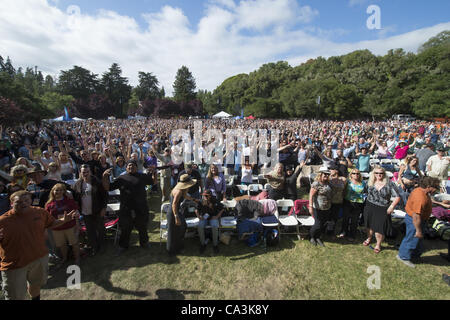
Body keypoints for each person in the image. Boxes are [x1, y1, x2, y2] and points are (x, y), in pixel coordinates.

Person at [0, 190, 78, 300]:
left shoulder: (40, 212)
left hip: (39, 258)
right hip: (15, 265)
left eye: (26, 200)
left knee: (36, 286)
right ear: (11, 203)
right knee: (16, 296)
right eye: (19, 202)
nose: (24, 204)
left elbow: (51, 223)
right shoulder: (3, 221)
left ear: (31, 201)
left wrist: (63, 220)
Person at [103, 161, 154, 255]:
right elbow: (108, 188)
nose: (131, 167)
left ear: (136, 167)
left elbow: (153, 182)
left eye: (133, 165)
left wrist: (153, 172)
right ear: (126, 168)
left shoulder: (142, 176)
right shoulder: (121, 178)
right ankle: (123, 246)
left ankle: (144, 243)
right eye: (129, 165)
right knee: (125, 227)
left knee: (142, 226)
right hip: (126, 208)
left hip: (141, 207)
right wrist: (105, 176)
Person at [397, 177, 440, 268]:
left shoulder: (421, 191)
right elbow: (416, 216)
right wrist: (418, 230)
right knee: (412, 238)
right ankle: (403, 256)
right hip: (415, 221)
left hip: (419, 220)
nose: (437, 190)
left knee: (417, 240)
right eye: (435, 187)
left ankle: (414, 255)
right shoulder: (420, 198)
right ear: (428, 186)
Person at [72, 164, 108, 256]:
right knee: (90, 231)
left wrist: (104, 208)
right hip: (85, 212)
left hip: (97, 210)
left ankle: (102, 246)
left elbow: (105, 196)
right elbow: (75, 198)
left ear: (90, 172)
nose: (86, 174)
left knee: (100, 229)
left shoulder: (96, 182)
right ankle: (94, 248)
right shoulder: (78, 184)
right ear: (80, 172)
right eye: (83, 172)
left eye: (87, 172)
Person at [363, 166, 401, 253]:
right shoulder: (369, 182)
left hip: (383, 208)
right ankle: (368, 238)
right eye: (376, 173)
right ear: (373, 174)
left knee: (380, 228)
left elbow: (397, 197)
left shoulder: (390, 184)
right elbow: (364, 192)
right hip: (370, 206)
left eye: (381, 173)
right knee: (369, 225)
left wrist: (391, 206)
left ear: (384, 174)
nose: (379, 175)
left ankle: (378, 244)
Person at [45, 184, 81, 267]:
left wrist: (77, 225)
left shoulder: (69, 201)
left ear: (64, 191)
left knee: (74, 243)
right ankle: (64, 258)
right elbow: (47, 217)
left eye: (61, 190)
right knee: (62, 245)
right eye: (56, 190)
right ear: (53, 192)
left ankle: (77, 258)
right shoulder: (49, 204)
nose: (58, 192)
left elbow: (76, 212)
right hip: (57, 228)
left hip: (70, 226)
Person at [167, 174, 198, 256]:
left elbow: (185, 196)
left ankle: (178, 247)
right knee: (174, 231)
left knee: (182, 227)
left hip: (177, 211)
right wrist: (176, 216)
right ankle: (172, 250)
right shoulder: (178, 191)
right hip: (173, 212)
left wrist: (194, 199)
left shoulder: (181, 190)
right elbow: (174, 204)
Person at [338, 169, 366, 241]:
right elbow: (343, 191)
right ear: (351, 174)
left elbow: (365, 192)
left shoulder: (363, 183)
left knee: (354, 220)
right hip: (348, 202)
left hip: (358, 203)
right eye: (354, 173)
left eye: (357, 174)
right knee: (346, 218)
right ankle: (344, 231)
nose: (356, 175)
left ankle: (352, 234)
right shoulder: (348, 182)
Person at [308, 167, 333, 247]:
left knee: (322, 224)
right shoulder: (316, 184)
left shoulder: (328, 183)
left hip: (327, 207)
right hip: (317, 208)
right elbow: (311, 195)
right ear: (320, 174)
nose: (326, 175)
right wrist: (310, 207)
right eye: (325, 174)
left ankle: (317, 237)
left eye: (327, 174)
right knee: (317, 224)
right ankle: (311, 236)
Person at [195, 190, 225, 254]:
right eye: (203, 195)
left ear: (210, 195)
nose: (204, 197)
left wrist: (217, 216)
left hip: (212, 217)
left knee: (214, 226)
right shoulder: (201, 201)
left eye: (206, 195)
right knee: (200, 226)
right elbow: (196, 210)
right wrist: (199, 217)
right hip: (204, 218)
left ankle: (215, 245)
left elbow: (222, 208)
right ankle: (203, 244)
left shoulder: (215, 200)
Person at [328, 164, 347, 236]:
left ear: (336, 171)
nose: (330, 171)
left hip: (338, 201)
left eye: (331, 169)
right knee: (328, 216)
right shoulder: (328, 178)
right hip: (329, 201)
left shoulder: (343, 179)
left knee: (334, 217)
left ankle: (331, 231)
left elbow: (344, 190)